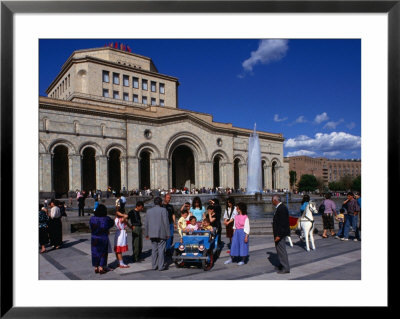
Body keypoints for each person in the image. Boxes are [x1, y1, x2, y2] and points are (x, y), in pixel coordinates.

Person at [145, 197, 170, 271]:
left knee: (154, 250)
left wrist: (146, 233)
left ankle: (154, 265)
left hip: (152, 233)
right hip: (161, 233)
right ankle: (161, 266)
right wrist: (168, 233)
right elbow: (166, 222)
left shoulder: (149, 211)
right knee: (161, 250)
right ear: (160, 203)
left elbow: (146, 223)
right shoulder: (163, 210)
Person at [89, 204, 114, 274]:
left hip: (94, 237)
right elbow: (112, 223)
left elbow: (90, 226)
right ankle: (101, 267)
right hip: (103, 237)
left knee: (95, 252)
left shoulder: (92, 218)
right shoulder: (106, 218)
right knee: (103, 253)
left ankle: (96, 266)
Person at [271, 195, 290, 274]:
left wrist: (279, 235)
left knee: (282, 250)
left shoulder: (281, 208)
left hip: (280, 234)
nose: (272, 202)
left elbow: (283, 223)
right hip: (279, 233)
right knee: (280, 250)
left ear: (275, 200)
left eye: (272, 200)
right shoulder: (280, 207)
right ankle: (282, 265)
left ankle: (286, 268)